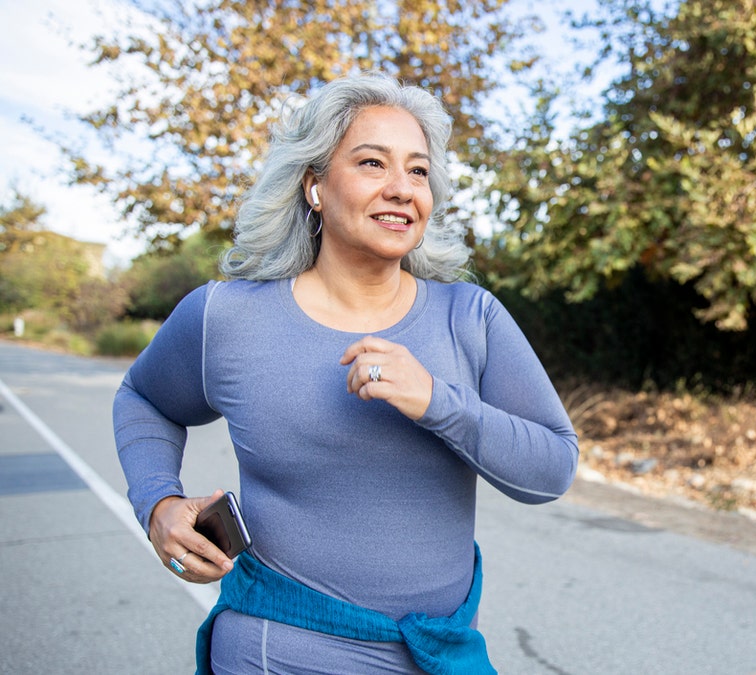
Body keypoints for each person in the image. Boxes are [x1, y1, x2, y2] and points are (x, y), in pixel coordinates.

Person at [112, 72, 579, 674]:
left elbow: (551, 469)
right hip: (278, 651)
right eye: (371, 163)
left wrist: (439, 401)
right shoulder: (226, 316)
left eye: (417, 170)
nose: (402, 189)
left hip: (439, 654)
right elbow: (145, 398)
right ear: (314, 186)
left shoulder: (472, 316)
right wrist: (158, 502)